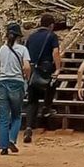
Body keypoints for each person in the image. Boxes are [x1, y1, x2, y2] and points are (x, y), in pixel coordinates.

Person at [0, 22, 31, 156]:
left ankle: (3, 146)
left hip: (2, 82)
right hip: (17, 82)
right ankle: (12, 139)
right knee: (16, 115)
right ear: (19, 36)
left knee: (3, 117)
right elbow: (27, 67)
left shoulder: (0, 49)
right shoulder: (22, 50)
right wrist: (26, 79)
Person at [23, 13, 61, 144]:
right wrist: (58, 68)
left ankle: (28, 127)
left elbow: (26, 54)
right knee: (51, 85)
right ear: (51, 25)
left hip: (33, 70)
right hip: (46, 68)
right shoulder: (52, 36)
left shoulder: (31, 37)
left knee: (32, 100)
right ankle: (46, 107)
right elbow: (55, 52)